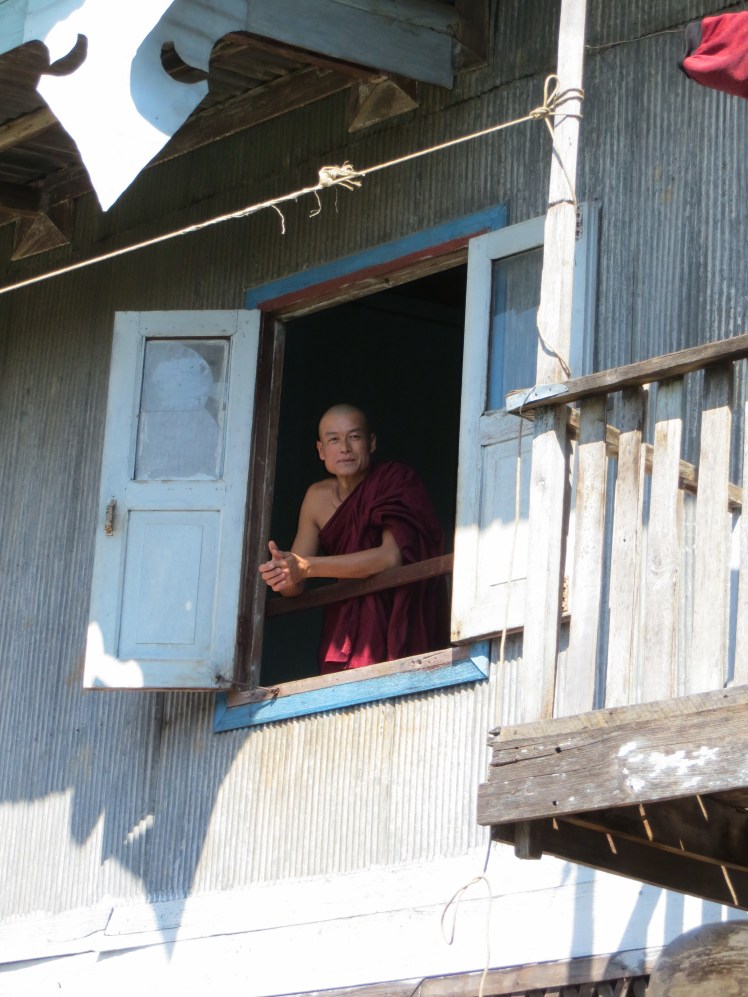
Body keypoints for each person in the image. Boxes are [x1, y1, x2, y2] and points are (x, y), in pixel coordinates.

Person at [259, 404, 448, 673]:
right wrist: (283, 573)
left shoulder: (394, 481)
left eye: (354, 437)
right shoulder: (316, 497)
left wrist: (307, 567)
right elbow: (295, 585)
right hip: (346, 623)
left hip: (399, 612)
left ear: (371, 443)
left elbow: (390, 558)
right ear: (321, 450)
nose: (344, 447)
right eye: (333, 439)